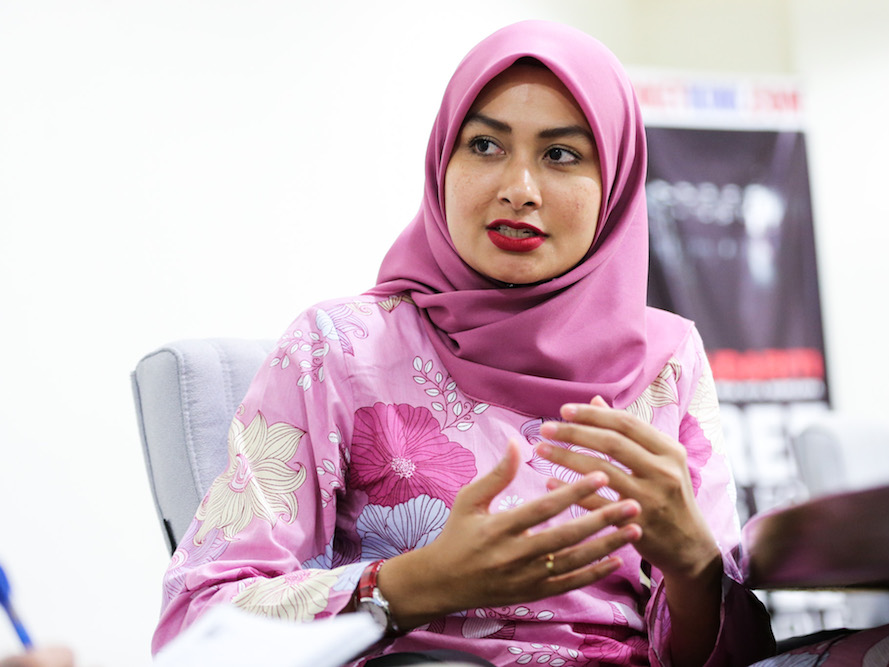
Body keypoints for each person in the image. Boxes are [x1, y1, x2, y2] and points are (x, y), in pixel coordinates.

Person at [152, 20, 776, 667]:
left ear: (616, 184)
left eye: (560, 155)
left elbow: (728, 654)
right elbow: (196, 623)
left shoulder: (666, 363)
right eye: (485, 145)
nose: (519, 189)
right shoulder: (336, 350)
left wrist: (693, 565)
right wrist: (414, 585)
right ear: (443, 158)